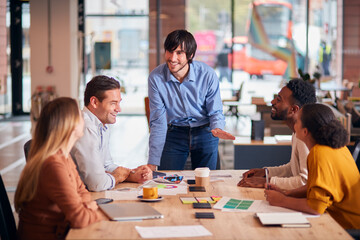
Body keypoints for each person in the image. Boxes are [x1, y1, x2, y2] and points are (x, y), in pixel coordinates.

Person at [15, 97, 103, 240]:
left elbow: (82, 190)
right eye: (80, 115)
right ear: (71, 125)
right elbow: (79, 218)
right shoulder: (52, 165)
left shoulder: (63, 156)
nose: (84, 119)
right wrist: (95, 211)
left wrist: (85, 205)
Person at [147, 29, 235, 171]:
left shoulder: (207, 75)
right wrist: (153, 161)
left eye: (179, 53)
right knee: (167, 181)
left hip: (205, 131)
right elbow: (158, 121)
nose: (172, 58)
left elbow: (215, 110)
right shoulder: (156, 78)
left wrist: (217, 127)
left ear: (190, 55)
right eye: (170, 51)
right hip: (174, 132)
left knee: (207, 182)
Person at [265, 103, 360, 229]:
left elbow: (316, 207)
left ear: (305, 131)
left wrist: (281, 200)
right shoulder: (337, 147)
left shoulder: (319, 153)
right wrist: (287, 193)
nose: (294, 124)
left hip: (348, 228)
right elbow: (316, 186)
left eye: (297, 121)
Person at [71, 75, 152, 192]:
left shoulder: (102, 124)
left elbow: (106, 165)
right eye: (113, 103)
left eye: (119, 103)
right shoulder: (85, 127)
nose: (119, 109)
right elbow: (97, 184)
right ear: (94, 102)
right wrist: (118, 176)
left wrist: (132, 174)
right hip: (80, 197)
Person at [238, 78, 316, 189]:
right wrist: (266, 173)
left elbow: (305, 181)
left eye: (279, 100)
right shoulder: (297, 131)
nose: (272, 102)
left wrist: (267, 182)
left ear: (293, 109)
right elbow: (293, 168)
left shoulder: (304, 135)